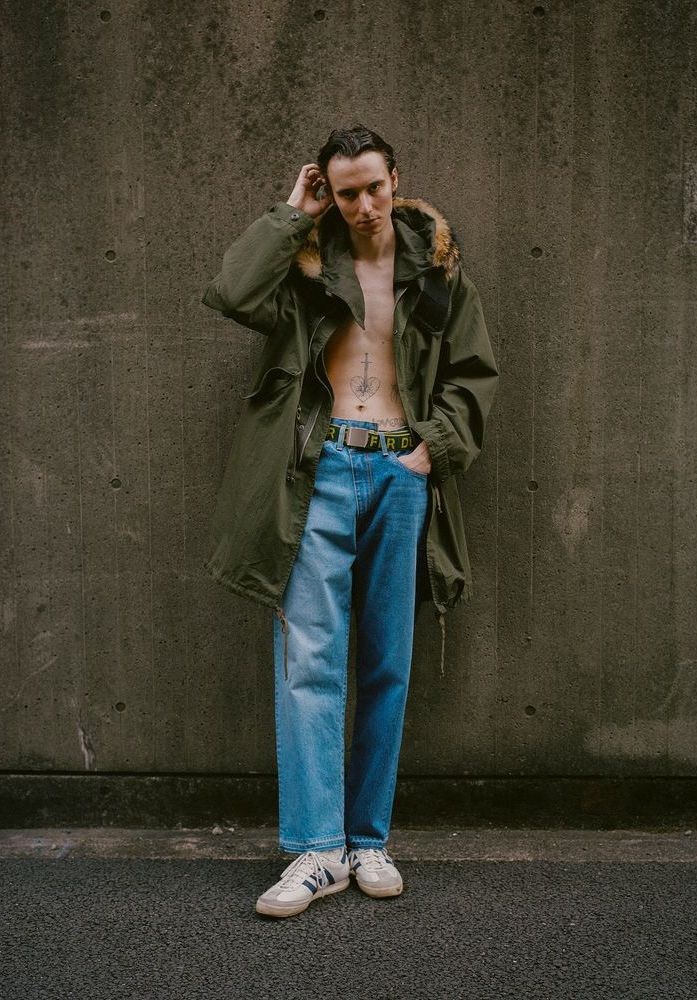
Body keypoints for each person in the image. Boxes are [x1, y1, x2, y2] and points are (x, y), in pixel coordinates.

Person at [201, 124, 499, 918]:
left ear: (395, 178)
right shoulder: (306, 268)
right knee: (309, 660)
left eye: (373, 187)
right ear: (327, 194)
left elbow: (474, 375)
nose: (363, 205)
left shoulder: (438, 273)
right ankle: (316, 850)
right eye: (345, 193)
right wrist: (290, 214)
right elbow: (232, 293)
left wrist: (436, 447)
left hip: (402, 472)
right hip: (320, 471)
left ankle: (368, 839)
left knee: (386, 664)